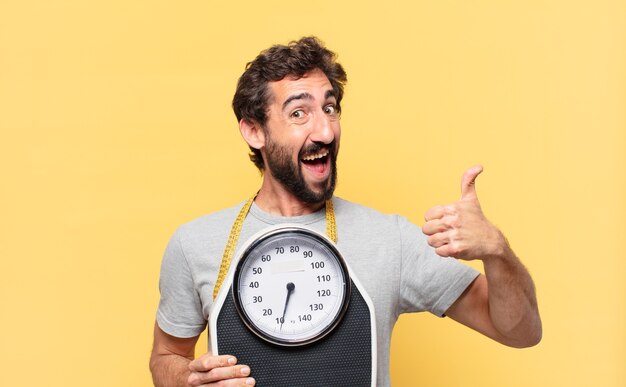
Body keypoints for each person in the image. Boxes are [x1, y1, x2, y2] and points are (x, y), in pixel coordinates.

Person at [149, 37, 542, 387]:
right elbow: (165, 358)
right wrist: (185, 378)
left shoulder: (391, 240)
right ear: (255, 131)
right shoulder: (194, 244)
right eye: (299, 113)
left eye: (330, 108)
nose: (325, 131)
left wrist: (497, 250)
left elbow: (521, 332)